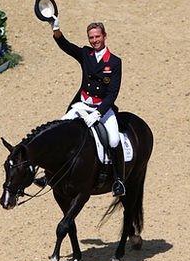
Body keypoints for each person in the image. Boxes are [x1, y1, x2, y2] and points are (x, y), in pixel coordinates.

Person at [34, 16, 125, 197]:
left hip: (102, 109)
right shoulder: (86, 54)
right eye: (91, 38)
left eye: (97, 37)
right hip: (82, 105)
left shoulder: (114, 62)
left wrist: (98, 113)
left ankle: (118, 180)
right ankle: (49, 175)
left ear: (104, 36)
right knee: (58, 130)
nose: (94, 41)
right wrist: (56, 29)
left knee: (114, 139)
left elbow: (112, 93)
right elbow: (66, 46)